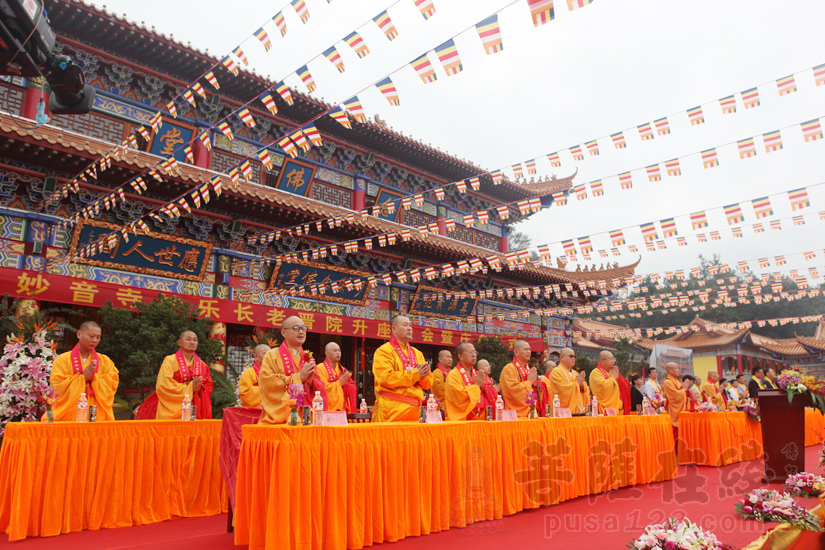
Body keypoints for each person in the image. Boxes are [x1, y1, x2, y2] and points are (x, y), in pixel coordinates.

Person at [258, 316, 328, 425]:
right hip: (281, 419)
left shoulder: (309, 358)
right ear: (284, 332)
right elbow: (268, 383)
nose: (301, 331)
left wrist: (310, 382)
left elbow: (320, 388)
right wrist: (298, 378)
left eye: (303, 328)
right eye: (296, 328)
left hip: (306, 418)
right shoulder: (271, 355)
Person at [49, 321, 119, 421]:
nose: (95, 340)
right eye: (91, 336)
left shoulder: (105, 361)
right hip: (69, 417)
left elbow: (113, 384)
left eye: (98, 337)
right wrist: (83, 378)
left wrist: (95, 379)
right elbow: (57, 385)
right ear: (79, 334)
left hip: (97, 416)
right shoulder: (62, 360)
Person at [139, 330, 214, 420]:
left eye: (195, 340)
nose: (192, 342)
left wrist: (200, 388)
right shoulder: (169, 361)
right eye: (188, 339)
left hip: (194, 409)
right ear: (179, 342)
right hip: (170, 408)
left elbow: (209, 385)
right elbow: (164, 385)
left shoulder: (203, 365)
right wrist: (190, 388)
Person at [371, 315, 433, 422]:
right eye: (405, 325)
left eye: (410, 325)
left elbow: (428, 383)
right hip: (392, 410)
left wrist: (421, 376)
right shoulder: (384, 351)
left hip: (415, 411)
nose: (409, 328)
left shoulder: (417, 353)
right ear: (394, 329)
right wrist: (416, 374)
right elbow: (386, 378)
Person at [445, 342, 496, 421]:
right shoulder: (453, 375)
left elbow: (490, 395)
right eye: (470, 352)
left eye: (475, 352)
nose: (474, 355)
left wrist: (483, 387)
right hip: (464, 421)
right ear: (460, 356)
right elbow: (458, 397)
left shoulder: (477, 374)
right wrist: (476, 386)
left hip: (482, 420)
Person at [500, 340, 539, 418]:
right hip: (513, 414)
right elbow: (512, 391)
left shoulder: (529, 370)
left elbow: (538, 390)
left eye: (529, 349)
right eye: (525, 349)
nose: (529, 352)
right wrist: (529, 382)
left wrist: (536, 385)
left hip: (531, 411)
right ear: (516, 352)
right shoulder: (508, 369)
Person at [548, 348, 590, 415]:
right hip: (563, 412)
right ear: (562, 357)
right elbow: (561, 389)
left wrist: (581, 386)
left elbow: (585, 388)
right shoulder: (556, 372)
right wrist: (577, 383)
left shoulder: (575, 373)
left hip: (579, 411)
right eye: (571, 356)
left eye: (574, 357)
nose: (573, 358)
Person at [318, 341, 357, 412]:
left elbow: (352, 387)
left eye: (339, 350)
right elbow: (322, 389)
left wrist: (347, 385)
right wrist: (339, 383)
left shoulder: (343, 370)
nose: (338, 353)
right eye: (335, 350)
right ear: (326, 353)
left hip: (343, 409)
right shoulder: (319, 368)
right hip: (328, 411)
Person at [588, 350, 630, 415]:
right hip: (605, 410)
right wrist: (613, 378)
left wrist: (618, 379)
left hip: (619, 409)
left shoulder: (613, 372)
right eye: (610, 359)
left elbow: (626, 384)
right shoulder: (596, 373)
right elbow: (603, 388)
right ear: (602, 360)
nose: (613, 361)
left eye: (613, 359)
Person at [238, 344, 270, 408]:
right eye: (265, 354)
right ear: (256, 356)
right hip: (255, 411)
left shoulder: (275, 372)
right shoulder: (248, 373)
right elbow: (245, 393)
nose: (268, 356)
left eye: (270, 354)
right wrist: (267, 389)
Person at [664, 362, 689, 441]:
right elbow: (675, 397)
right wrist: (684, 389)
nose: (678, 370)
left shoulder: (677, 381)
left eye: (678, 368)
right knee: (675, 435)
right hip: (674, 410)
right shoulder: (667, 382)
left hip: (682, 409)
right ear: (670, 370)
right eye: (676, 368)